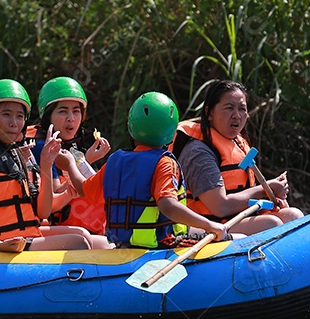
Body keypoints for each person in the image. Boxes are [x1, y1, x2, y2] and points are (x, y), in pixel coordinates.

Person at [62, 92, 228, 248]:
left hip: (123, 245)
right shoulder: (164, 163)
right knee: (235, 238)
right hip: (163, 243)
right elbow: (168, 206)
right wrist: (209, 225)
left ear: (131, 128)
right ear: (171, 132)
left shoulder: (115, 161)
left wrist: (70, 164)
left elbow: (83, 188)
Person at [0, 79, 91, 253]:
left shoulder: (22, 154)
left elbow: (43, 212)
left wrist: (46, 163)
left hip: (25, 237)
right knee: (79, 243)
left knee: (83, 236)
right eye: (6, 114)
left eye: (20, 116)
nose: (14, 123)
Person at [173, 79, 303, 234]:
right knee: (271, 223)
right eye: (229, 108)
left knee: (293, 215)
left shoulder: (238, 144)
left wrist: (272, 194)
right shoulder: (198, 152)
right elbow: (220, 207)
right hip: (206, 227)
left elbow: (244, 193)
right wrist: (264, 189)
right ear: (209, 113)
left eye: (242, 109)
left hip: (237, 218)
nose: (237, 115)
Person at [30, 76, 111, 246]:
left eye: (76, 111)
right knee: (99, 243)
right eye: (62, 111)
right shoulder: (40, 147)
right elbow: (52, 199)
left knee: (108, 243)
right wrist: (76, 165)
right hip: (46, 226)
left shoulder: (72, 148)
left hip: (69, 225)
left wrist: (87, 159)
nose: (71, 118)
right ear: (48, 116)